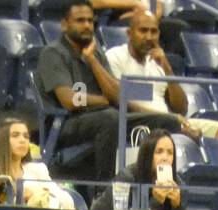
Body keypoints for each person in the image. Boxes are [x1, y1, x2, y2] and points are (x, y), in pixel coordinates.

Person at [35, 1, 180, 183]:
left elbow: (117, 95)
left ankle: (159, 187)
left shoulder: (96, 53)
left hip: (103, 117)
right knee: (111, 118)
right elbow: (70, 100)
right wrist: (103, 100)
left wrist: (92, 61)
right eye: (80, 20)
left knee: (167, 121)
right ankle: (105, 189)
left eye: (90, 20)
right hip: (65, 124)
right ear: (65, 24)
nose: (87, 25)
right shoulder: (54, 53)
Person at [104, 11, 218, 141]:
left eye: (153, 31)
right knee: (183, 135)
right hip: (142, 125)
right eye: (143, 31)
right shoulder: (115, 57)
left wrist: (167, 68)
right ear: (129, 33)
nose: (149, 37)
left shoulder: (158, 62)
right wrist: (167, 119)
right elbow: (119, 100)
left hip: (171, 121)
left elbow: (181, 108)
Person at [0, 114, 76, 208]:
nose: (22, 140)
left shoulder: (38, 170)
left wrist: (34, 193)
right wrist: (18, 197)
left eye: (26, 136)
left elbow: (68, 202)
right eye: (15, 135)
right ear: (2, 141)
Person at [89, 127, 182, 210]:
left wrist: (177, 206)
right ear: (148, 154)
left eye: (170, 153)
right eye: (159, 152)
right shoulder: (127, 178)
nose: (165, 158)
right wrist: (156, 201)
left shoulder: (177, 183)